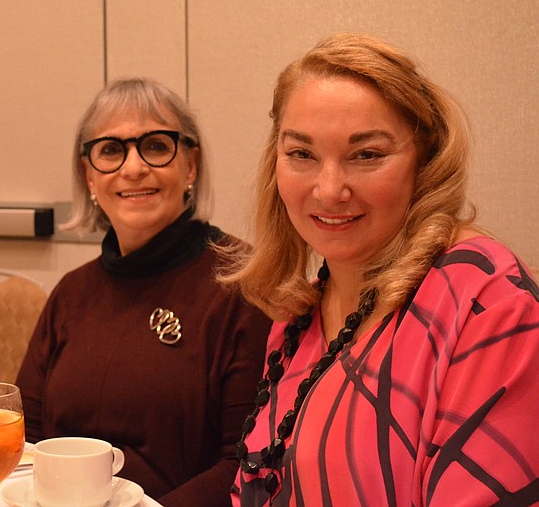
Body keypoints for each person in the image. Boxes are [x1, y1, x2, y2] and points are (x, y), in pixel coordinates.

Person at [224, 33, 539, 506]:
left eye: (367, 155)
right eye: (302, 154)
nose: (329, 190)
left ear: (425, 161)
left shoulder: (488, 303)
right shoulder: (299, 316)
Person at [16, 77, 273, 507]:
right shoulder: (71, 293)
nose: (133, 168)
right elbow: (26, 438)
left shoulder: (242, 284)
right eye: (111, 150)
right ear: (90, 176)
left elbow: (246, 463)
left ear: (190, 166)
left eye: (155, 146)